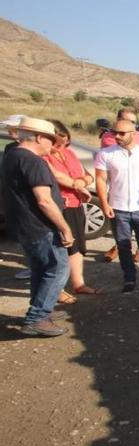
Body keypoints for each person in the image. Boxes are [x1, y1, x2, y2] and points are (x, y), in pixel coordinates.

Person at [1, 117, 73, 336]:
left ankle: (42, 310)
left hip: (24, 225)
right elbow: (44, 200)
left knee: (41, 269)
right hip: (40, 226)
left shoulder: (11, 155)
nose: (53, 146)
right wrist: (64, 228)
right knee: (58, 268)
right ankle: (37, 317)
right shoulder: (33, 161)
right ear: (39, 138)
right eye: (51, 141)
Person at [94, 119, 139, 293]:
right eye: (114, 133)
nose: (116, 136)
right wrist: (104, 203)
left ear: (133, 134)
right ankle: (129, 279)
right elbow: (101, 179)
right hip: (118, 208)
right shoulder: (106, 154)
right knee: (123, 246)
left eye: (121, 133)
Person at [44, 120, 102, 303]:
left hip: (76, 204)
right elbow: (57, 176)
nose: (61, 147)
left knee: (77, 246)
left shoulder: (70, 153)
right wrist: (77, 184)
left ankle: (79, 283)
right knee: (60, 248)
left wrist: (81, 183)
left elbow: (87, 174)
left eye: (65, 143)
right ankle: (57, 289)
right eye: (58, 144)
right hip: (59, 205)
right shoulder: (43, 157)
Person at [100, 108, 139, 263]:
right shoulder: (108, 139)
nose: (118, 136)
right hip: (118, 200)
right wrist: (104, 202)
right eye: (127, 121)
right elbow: (102, 174)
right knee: (122, 240)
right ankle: (126, 272)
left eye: (134, 122)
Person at [1, 114, 35, 281]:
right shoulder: (10, 148)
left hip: (27, 201)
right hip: (14, 198)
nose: (9, 131)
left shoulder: (30, 151)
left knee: (32, 237)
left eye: (12, 128)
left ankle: (36, 269)